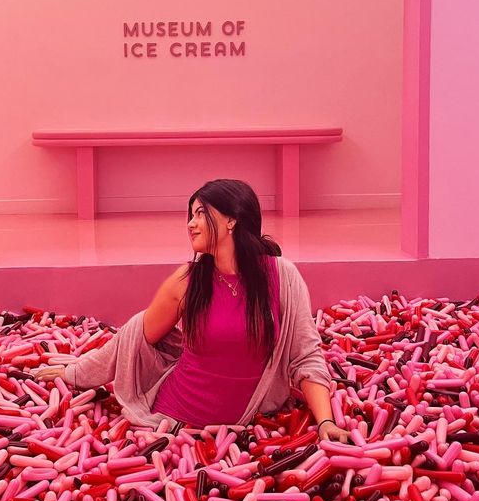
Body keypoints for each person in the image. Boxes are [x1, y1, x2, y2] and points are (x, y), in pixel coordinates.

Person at [34, 178, 347, 442]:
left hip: (250, 428)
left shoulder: (282, 276)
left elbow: (306, 356)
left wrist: (325, 423)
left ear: (231, 220)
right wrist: (75, 373)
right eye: (190, 215)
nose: (190, 224)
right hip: (176, 424)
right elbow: (133, 335)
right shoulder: (187, 281)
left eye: (200, 213)